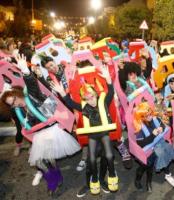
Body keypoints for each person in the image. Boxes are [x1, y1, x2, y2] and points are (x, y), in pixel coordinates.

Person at [0, 54, 81, 196]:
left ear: (17, 94)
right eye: (11, 104)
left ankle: (56, 180)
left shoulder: (32, 96)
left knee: (49, 158)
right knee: (38, 162)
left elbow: (32, 85)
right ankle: (53, 180)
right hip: (39, 134)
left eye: (14, 100)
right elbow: (26, 128)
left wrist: (26, 71)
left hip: (51, 129)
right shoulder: (19, 111)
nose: (15, 104)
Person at [52, 65, 119, 196]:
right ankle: (92, 182)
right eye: (87, 99)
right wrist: (62, 92)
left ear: (96, 94)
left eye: (92, 97)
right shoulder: (85, 106)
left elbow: (110, 91)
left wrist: (108, 79)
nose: (91, 101)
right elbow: (70, 103)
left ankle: (108, 178)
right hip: (93, 136)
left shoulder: (103, 101)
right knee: (91, 160)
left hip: (105, 134)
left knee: (109, 156)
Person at [132, 102, 174, 192]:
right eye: (146, 115)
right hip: (146, 152)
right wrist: (152, 136)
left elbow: (162, 124)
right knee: (144, 166)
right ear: (141, 117)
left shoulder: (154, 118)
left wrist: (162, 128)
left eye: (150, 114)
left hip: (157, 148)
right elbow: (140, 143)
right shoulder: (140, 127)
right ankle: (137, 180)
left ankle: (149, 182)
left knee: (151, 167)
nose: (149, 116)